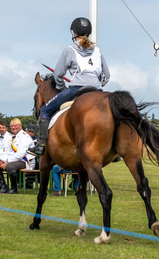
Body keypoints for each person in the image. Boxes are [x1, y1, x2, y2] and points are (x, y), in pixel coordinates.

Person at [31, 17, 110, 157]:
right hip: (97, 91)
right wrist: (96, 85)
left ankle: (40, 145)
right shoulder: (97, 50)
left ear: (74, 33)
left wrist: (62, 87)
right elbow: (106, 76)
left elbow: (58, 75)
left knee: (45, 110)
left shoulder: (70, 50)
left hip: (76, 89)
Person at [0, 118, 33, 194]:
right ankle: (3, 187)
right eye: (12, 126)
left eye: (15, 125)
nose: (13, 127)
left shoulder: (25, 137)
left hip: (25, 161)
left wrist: (7, 163)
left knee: (10, 166)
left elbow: (20, 155)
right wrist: (2, 160)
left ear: (20, 126)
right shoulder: (13, 137)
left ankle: (14, 189)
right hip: (15, 161)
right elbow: (9, 152)